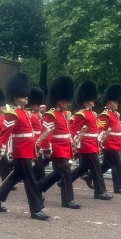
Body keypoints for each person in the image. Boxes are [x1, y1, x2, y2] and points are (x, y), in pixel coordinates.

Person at [0, 72, 49, 220]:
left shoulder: (27, 114)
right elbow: (5, 133)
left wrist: (38, 145)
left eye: (26, 96)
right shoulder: (12, 114)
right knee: (30, 179)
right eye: (23, 96)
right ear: (15, 97)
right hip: (20, 150)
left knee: (15, 176)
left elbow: (33, 132)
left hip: (28, 149)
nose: (26, 98)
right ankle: (36, 209)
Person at [36, 76, 81, 209]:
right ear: (57, 100)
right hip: (57, 148)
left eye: (67, 100)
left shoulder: (64, 114)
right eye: (63, 100)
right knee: (66, 172)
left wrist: (72, 143)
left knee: (58, 173)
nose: (66, 102)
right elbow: (46, 133)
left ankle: (37, 187)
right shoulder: (51, 114)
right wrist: (47, 149)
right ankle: (68, 200)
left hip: (65, 147)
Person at [69, 80, 112, 199]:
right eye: (91, 100)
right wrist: (73, 143)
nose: (93, 102)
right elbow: (72, 129)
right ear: (85, 101)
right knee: (96, 167)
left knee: (83, 167)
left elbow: (95, 129)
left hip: (93, 143)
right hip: (86, 145)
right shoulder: (81, 114)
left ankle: (64, 182)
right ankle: (100, 192)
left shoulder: (93, 114)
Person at [97, 83, 121, 194]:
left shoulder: (115, 114)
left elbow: (117, 130)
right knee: (116, 165)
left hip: (115, 143)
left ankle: (91, 176)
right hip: (109, 143)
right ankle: (118, 186)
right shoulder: (105, 114)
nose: (117, 104)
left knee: (107, 165)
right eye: (115, 102)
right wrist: (99, 143)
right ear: (109, 102)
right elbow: (99, 129)